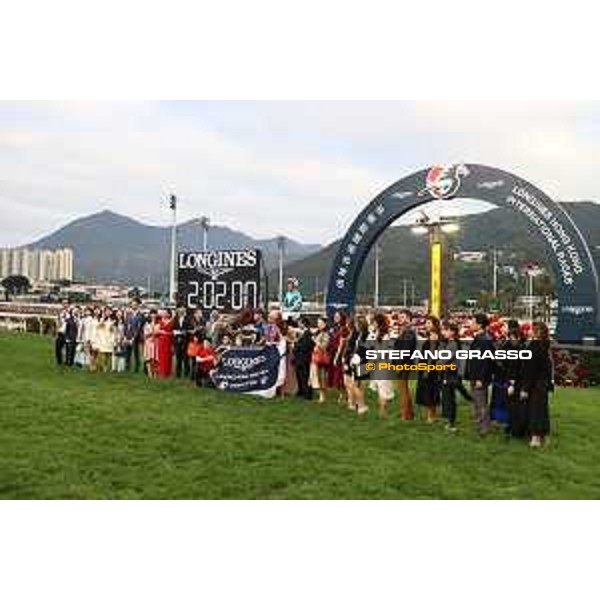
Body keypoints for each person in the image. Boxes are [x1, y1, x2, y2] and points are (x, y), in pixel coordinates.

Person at [521, 322, 554, 448]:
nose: (528, 331)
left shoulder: (534, 346)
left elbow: (531, 369)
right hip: (543, 382)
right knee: (542, 409)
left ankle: (536, 437)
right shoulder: (545, 345)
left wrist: (525, 388)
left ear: (537, 332)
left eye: (531, 329)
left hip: (536, 383)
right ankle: (544, 435)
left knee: (535, 410)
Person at [465, 313, 495, 436]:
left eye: (472, 322)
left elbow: (486, 362)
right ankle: (479, 425)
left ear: (479, 324)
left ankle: (484, 428)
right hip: (474, 375)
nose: (470, 324)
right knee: (477, 402)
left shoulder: (485, 340)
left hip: (480, 377)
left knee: (481, 402)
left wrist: (480, 378)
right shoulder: (479, 338)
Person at [504, 321, 527, 438]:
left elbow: (518, 369)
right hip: (513, 381)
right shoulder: (513, 348)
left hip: (517, 383)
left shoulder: (520, 350)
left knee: (516, 407)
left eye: (513, 338)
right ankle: (513, 427)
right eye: (510, 338)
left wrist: (512, 384)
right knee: (512, 406)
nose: (511, 340)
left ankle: (517, 430)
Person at [416, 316, 441, 423]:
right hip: (426, 367)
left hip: (430, 369)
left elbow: (432, 355)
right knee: (429, 391)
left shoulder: (434, 338)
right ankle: (432, 414)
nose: (427, 325)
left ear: (435, 325)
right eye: (426, 323)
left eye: (429, 323)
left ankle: (431, 416)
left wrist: (427, 370)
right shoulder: (430, 337)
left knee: (429, 392)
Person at [371, 312, 396, 419]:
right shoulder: (380, 334)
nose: (373, 324)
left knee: (383, 389)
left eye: (374, 322)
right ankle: (383, 413)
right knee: (383, 389)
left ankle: (382, 412)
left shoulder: (383, 335)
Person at [394, 309, 416, 420]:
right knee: (404, 389)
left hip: (403, 364)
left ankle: (405, 414)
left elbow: (405, 352)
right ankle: (409, 413)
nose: (400, 319)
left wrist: (399, 366)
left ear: (408, 318)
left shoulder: (409, 332)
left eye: (402, 317)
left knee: (403, 390)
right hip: (402, 363)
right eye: (399, 317)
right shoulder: (405, 331)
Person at [345, 314, 370, 415]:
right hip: (355, 361)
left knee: (357, 386)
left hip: (361, 363)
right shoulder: (358, 335)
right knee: (355, 385)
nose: (354, 325)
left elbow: (365, 351)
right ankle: (358, 405)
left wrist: (357, 359)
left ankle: (362, 406)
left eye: (356, 324)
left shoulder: (365, 336)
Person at [439, 321, 460, 431]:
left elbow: (443, 360)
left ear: (452, 332)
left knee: (449, 399)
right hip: (449, 373)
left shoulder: (453, 344)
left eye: (445, 330)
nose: (443, 332)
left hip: (450, 374)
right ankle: (450, 421)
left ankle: (451, 423)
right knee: (448, 398)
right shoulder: (449, 343)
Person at [328, 310, 347, 403]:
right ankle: (342, 393)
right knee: (334, 374)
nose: (335, 318)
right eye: (335, 316)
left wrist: (337, 356)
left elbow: (341, 344)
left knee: (339, 375)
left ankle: (344, 394)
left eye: (337, 316)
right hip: (332, 352)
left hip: (339, 353)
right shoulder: (334, 328)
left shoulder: (344, 328)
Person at [310, 317, 330, 403]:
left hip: (321, 357)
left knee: (322, 377)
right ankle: (321, 395)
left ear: (325, 324)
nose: (318, 325)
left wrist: (316, 342)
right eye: (318, 323)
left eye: (320, 323)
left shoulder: (326, 334)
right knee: (318, 376)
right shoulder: (319, 333)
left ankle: (323, 396)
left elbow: (324, 346)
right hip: (317, 357)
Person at [294, 317, 314, 400]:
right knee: (299, 375)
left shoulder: (308, 333)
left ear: (303, 323)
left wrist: (296, 345)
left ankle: (307, 393)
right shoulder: (302, 333)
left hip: (304, 358)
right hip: (299, 357)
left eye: (299, 323)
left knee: (304, 375)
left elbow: (305, 346)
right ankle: (301, 391)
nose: (298, 324)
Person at [124, 299, 146, 373]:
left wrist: (133, 338)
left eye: (135, 304)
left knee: (136, 353)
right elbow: (126, 326)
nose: (134, 305)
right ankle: (127, 367)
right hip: (128, 336)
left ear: (138, 305)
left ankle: (136, 368)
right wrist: (125, 336)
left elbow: (139, 328)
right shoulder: (128, 314)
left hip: (136, 337)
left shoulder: (141, 315)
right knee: (127, 354)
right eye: (132, 304)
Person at [174, 306, 194, 379]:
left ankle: (186, 373)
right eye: (179, 310)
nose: (180, 312)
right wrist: (175, 332)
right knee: (178, 358)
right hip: (177, 340)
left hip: (185, 340)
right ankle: (178, 374)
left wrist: (184, 331)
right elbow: (173, 328)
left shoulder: (188, 319)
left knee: (186, 358)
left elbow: (191, 329)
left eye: (182, 310)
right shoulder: (175, 319)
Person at [155, 309, 175, 379]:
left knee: (168, 357)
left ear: (169, 314)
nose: (163, 314)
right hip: (161, 341)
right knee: (161, 356)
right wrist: (160, 332)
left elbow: (174, 332)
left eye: (165, 313)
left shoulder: (172, 322)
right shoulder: (160, 321)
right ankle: (162, 372)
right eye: (163, 313)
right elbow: (156, 332)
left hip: (169, 341)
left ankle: (168, 372)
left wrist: (166, 333)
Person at [143, 310, 160, 378]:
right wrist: (151, 333)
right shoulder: (147, 324)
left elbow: (159, 333)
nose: (153, 316)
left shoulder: (158, 324)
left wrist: (156, 333)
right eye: (152, 314)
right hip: (148, 342)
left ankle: (155, 373)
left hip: (156, 342)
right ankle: (150, 373)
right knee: (148, 358)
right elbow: (145, 334)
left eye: (154, 314)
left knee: (156, 359)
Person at [55, 300, 70, 366]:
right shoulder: (60, 312)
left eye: (66, 303)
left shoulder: (70, 312)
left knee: (66, 348)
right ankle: (59, 361)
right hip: (60, 332)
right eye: (63, 303)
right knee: (58, 348)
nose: (64, 304)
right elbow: (57, 321)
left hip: (67, 332)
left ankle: (66, 361)